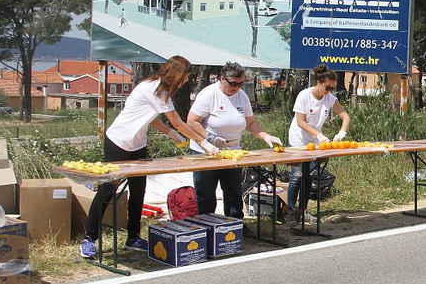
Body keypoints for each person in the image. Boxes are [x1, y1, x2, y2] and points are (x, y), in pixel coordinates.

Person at [81, 56, 216, 259]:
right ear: (178, 74)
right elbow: (178, 123)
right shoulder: (151, 88)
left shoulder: (163, 93)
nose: (186, 80)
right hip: (118, 142)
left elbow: (152, 118)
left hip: (138, 145)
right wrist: (203, 143)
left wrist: (170, 134)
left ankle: (133, 238)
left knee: (138, 191)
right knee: (108, 190)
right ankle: (89, 240)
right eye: (186, 76)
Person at [186, 62, 283, 218]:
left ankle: (235, 225)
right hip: (207, 152)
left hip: (233, 151)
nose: (237, 88)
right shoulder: (208, 94)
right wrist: (209, 139)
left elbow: (250, 122)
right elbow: (192, 121)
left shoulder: (241, 96)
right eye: (233, 83)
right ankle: (208, 227)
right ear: (222, 79)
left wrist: (266, 136)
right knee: (206, 194)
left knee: (233, 191)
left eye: (240, 83)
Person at [285, 65, 350, 226]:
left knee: (309, 176)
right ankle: (291, 211)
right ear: (318, 82)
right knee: (297, 176)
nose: (329, 91)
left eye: (332, 88)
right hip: (298, 141)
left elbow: (345, 116)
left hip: (315, 144)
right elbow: (301, 122)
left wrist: (342, 132)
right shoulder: (304, 96)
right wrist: (318, 134)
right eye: (327, 87)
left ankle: (304, 210)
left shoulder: (330, 98)